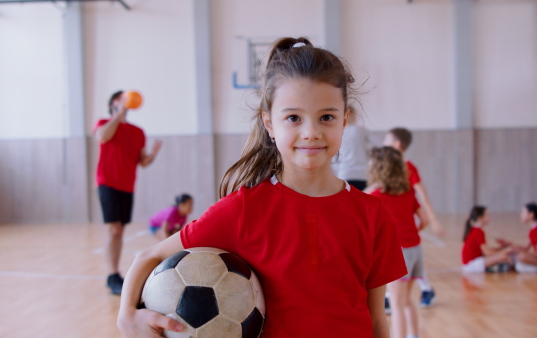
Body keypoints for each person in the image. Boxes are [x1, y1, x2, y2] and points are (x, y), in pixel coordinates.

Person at [117, 37, 406, 338]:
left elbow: (376, 320)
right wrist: (126, 316)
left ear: (344, 121)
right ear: (269, 123)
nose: (311, 132)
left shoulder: (372, 214)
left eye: (327, 117)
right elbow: (148, 257)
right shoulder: (243, 210)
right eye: (293, 117)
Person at [94, 90, 162, 295]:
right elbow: (102, 137)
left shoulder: (138, 132)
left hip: (127, 185)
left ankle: (113, 275)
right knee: (114, 230)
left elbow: (142, 162)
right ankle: (113, 274)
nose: (124, 100)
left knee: (120, 231)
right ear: (114, 102)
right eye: (120, 98)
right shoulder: (104, 123)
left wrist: (153, 155)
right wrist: (118, 114)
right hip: (107, 182)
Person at [367, 146, 429, 338]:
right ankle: (414, 335)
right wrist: (411, 233)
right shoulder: (408, 191)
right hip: (415, 249)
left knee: (396, 304)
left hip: (398, 252)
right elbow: (424, 219)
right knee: (406, 300)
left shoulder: (375, 196)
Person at [381, 127, 441, 307]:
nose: (384, 143)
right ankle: (392, 297)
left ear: (397, 144)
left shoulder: (408, 166)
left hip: (406, 220)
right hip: (393, 220)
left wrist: (433, 219)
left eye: (387, 140)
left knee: (405, 259)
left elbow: (422, 192)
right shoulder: (385, 166)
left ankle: (425, 289)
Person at [462, 206, 513, 273]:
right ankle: (494, 267)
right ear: (480, 218)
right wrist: (504, 252)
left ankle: (493, 267)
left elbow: (484, 251)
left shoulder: (475, 230)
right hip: (472, 265)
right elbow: (487, 252)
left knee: (502, 255)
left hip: (471, 264)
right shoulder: (478, 231)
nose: (489, 217)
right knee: (503, 256)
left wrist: (500, 249)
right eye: (487, 215)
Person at [332, 105, 371, 190]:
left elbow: (334, 158)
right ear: (351, 114)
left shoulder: (337, 132)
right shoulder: (361, 130)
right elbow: (378, 145)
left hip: (344, 174)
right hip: (362, 174)